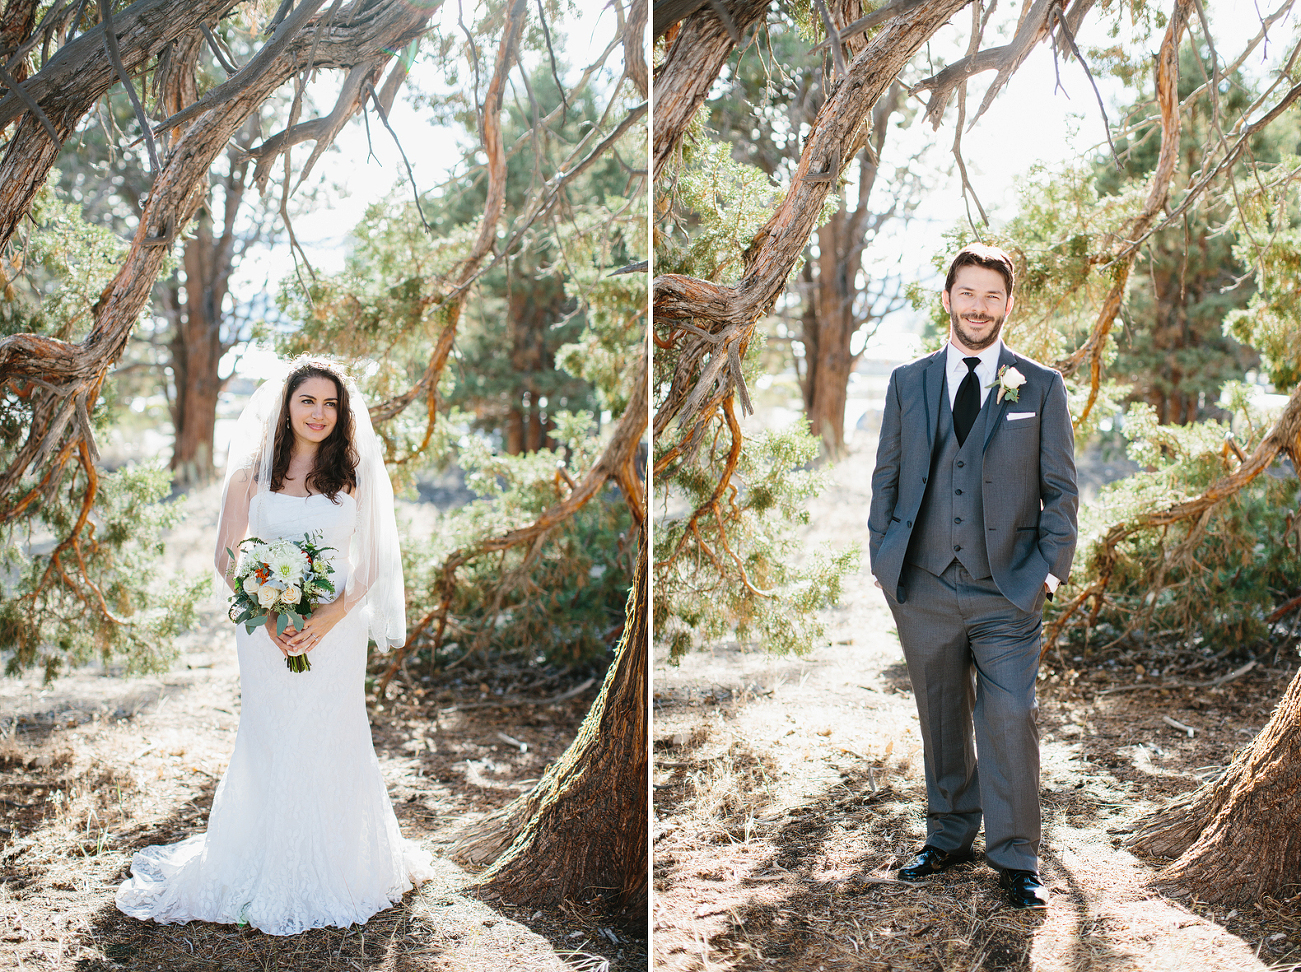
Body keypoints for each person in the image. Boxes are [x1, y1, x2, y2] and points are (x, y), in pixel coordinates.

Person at [116, 358, 434, 935]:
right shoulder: (251, 475)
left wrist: (329, 616)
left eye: (330, 404)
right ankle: (257, 862)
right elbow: (227, 553)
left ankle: (344, 864)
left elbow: (374, 563)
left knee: (332, 732)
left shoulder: (353, 477)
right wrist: (267, 614)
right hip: (263, 632)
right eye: (308, 401)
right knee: (270, 734)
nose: (319, 413)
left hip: (334, 632)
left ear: (342, 413)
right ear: (287, 406)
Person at [868, 244, 1078, 909]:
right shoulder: (908, 381)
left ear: (1008, 305)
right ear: (947, 298)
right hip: (923, 584)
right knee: (939, 715)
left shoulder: (1038, 386)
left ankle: (1015, 858)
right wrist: (883, 559)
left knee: (1010, 714)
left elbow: (1060, 492)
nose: (978, 308)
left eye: (992, 297)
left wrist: (1046, 571)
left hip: (1007, 588)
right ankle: (948, 836)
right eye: (967, 294)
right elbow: (887, 477)